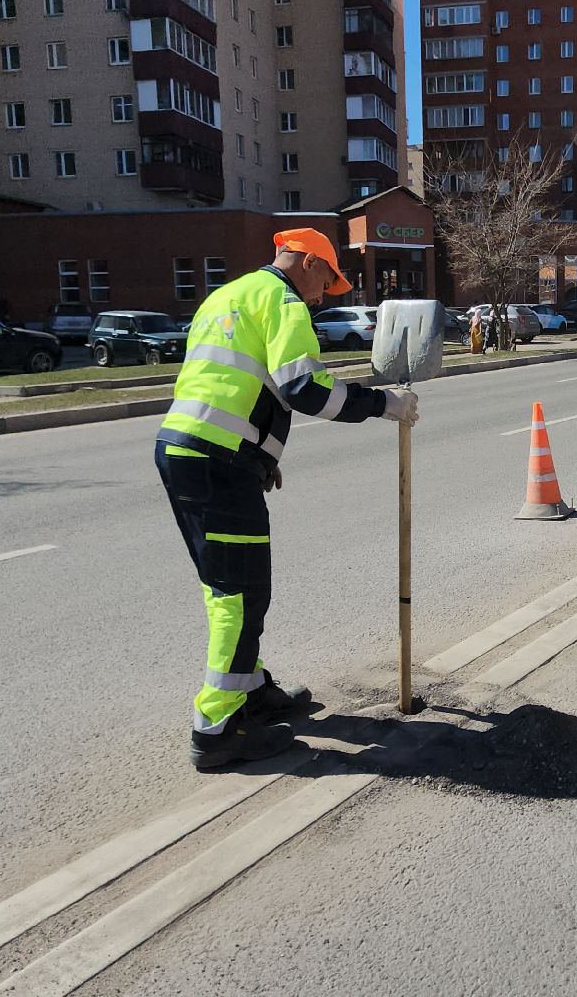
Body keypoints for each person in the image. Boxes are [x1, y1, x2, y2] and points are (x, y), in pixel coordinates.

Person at [155, 227, 419, 769]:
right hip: (217, 461)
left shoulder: (229, 295)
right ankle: (217, 728)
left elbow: (236, 382)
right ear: (306, 263)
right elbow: (305, 389)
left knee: (232, 585)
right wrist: (383, 403)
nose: (324, 295)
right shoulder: (284, 300)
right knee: (240, 594)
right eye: (327, 279)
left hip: (193, 452)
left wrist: (261, 456)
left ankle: (248, 691)